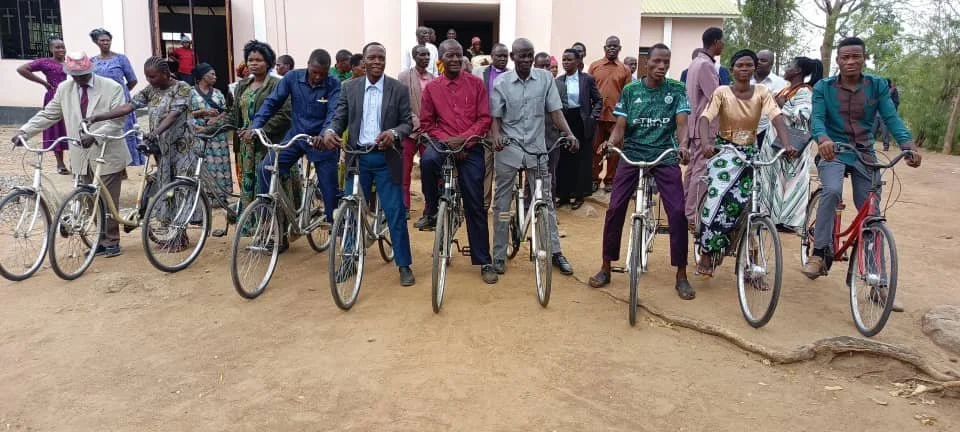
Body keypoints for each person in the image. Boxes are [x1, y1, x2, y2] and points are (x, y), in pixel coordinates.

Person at [802, 38, 921, 293]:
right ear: (838, 61)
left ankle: (877, 279)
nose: (850, 62)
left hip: (864, 151)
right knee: (831, 191)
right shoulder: (824, 87)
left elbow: (891, 118)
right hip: (833, 150)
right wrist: (823, 140)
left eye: (856, 56)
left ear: (864, 58)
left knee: (871, 210)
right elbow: (818, 120)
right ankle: (820, 252)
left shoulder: (876, 85)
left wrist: (908, 145)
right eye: (845, 57)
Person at [587, 43, 694, 298]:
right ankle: (606, 266)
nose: (661, 66)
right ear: (647, 63)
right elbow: (621, 126)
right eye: (656, 61)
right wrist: (611, 143)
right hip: (633, 154)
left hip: (664, 156)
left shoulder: (677, 90)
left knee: (678, 211)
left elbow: (682, 123)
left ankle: (681, 273)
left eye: (665, 62)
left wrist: (683, 145)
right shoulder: (631, 90)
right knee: (614, 208)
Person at [15, 52, 128, 257]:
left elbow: (118, 121)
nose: (79, 79)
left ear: (90, 70)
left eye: (83, 75)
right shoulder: (65, 89)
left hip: (106, 150)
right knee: (88, 198)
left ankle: (111, 241)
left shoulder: (112, 87)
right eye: (75, 76)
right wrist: (25, 131)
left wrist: (95, 136)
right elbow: (49, 114)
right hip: (80, 151)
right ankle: (100, 241)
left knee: (107, 198)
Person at [322, 42, 416, 286]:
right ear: (363, 61)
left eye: (381, 57)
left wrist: (393, 133)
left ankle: (404, 265)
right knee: (352, 211)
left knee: (395, 212)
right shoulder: (349, 87)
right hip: (357, 158)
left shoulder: (398, 89)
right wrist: (331, 130)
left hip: (385, 158)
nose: (377, 61)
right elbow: (340, 116)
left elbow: (407, 123)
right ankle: (350, 260)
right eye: (372, 57)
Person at [694, 50, 796, 276]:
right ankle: (707, 252)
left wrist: (787, 144)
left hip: (750, 153)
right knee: (717, 199)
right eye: (740, 65)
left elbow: (777, 118)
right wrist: (705, 143)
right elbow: (705, 118)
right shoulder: (722, 92)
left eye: (749, 65)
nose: (745, 69)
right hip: (725, 152)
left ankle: (752, 262)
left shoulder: (762, 92)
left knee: (754, 206)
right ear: (732, 69)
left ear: (754, 68)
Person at [489, 38, 579, 276]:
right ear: (512, 56)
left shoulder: (545, 79)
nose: (527, 60)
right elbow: (495, 118)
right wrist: (496, 136)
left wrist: (569, 134)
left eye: (530, 55)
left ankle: (555, 252)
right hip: (508, 151)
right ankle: (498, 255)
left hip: (537, 151)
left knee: (546, 201)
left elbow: (555, 112)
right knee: (502, 205)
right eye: (522, 56)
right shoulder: (502, 82)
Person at [243, 49, 341, 253]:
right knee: (266, 168)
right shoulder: (292, 78)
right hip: (296, 137)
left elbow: (334, 112)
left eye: (322, 73)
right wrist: (256, 125)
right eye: (314, 72)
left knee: (329, 189)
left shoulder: (333, 84)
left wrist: (325, 134)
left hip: (321, 142)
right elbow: (272, 102)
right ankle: (270, 218)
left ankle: (336, 227)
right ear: (307, 65)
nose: (317, 77)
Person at [416, 39, 498, 284]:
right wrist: (449, 141)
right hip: (443, 143)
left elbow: (485, 118)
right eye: (449, 56)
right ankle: (432, 209)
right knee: (428, 162)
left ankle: (484, 260)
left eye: (458, 55)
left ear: (463, 58)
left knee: (474, 202)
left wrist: (464, 140)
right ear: (440, 59)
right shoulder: (432, 88)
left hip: (470, 146)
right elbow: (427, 123)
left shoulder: (476, 84)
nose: (454, 60)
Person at [210, 41, 289, 216]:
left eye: (258, 60)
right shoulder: (241, 86)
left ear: (268, 62)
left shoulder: (278, 84)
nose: (253, 63)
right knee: (250, 187)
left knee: (271, 187)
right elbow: (233, 115)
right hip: (246, 148)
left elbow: (285, 115)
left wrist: (259, 131)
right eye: (250, 59)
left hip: (269, 145)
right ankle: (256, 228)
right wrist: (209, 129)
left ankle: (277, 231)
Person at [759, 56, 823, 232]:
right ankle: (771, 218)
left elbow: (804, 115)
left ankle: (789, 221)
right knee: (775, 181)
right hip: (777, 143)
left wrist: (783, 105)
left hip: (792, 145)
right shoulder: (788, 89)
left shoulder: (805, 92)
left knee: (791, 183)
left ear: (797, 71)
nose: (786, 68)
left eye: (789, 66)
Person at [683, 27, 725, 228]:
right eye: (722, 41)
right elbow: (716, 98)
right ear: (716, 42)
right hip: (705, 128)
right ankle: (692, 216)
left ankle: (685, 209)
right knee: (700, 171)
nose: (723, 45)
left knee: (692, 170)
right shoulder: (706, 66)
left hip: (694, 124)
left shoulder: (695, 63)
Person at [90, 28, 144, 168]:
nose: (106, 43)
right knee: (103, 130)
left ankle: (127, 163)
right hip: (101, 101)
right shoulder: (92, 61)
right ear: (96, 42)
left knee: (122, 131)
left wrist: (122, 93)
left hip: (120, 101)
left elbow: (132, 80)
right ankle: (108, 162)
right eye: (102, 40)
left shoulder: (121, 59)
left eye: (108, 40)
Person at [555, 48, 601, 209]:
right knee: (564, 159)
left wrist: (592, 117)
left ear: (577, 62)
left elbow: (598, 100)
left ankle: (579, 195)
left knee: (581, 159)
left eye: (569, 60)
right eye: (564, 59)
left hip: (581, 121)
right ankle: (564, 195)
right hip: (564, 120)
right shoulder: (559, 80)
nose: (565, 63)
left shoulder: (586, 79)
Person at [17, 35, 70, 175]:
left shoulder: (70, 62)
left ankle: (77, 163)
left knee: (72, 128)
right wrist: (44, 83)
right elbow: (22, 69)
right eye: (57, 47)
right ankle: (60, 163)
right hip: (54, 98)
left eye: (63, 47)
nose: (61, 49)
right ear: (51, 49)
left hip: (71, 98)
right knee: (56, 128)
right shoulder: (46, 62)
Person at [588, 36, 633, 194]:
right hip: (597, 116)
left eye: (615, 46)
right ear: (604, 48)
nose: (612, 48)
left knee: (614, 151)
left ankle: (610, 180)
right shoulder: (595, 66)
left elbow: (628, 95)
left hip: (616, 118)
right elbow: (588, 91)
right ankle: (594, 179)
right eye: (609, 46)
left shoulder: (625, 70)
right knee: (595, 149)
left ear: (620, 48)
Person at [398, 45, 436, 216]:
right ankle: (404, 206)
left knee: (430, 171)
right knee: (404, 171)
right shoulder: (404, 76)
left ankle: (431, 207)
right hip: (409, 130)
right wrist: (418, 123)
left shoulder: (434, 79)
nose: (426, 57)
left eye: (428, 54)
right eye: (422, 54)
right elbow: (403, 104)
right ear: (414, 57)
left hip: (429, 132)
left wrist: (428, 125)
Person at [189, 63, 233, 208]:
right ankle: (204, 196)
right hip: (198, 132)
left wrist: (216, 119)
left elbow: (226, 111)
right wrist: (203, 113)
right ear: (202, 76)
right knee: (203, 164)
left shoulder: (218, 93)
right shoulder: (190, 93)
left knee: (220, 163)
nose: (215, 77)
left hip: (217, 135)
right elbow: (185, 113)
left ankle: (220, 196)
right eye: (211, 74)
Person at [474, 43, 510, 211]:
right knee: (486, 166)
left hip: (506, 127)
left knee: (503, 167)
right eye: (498, 56)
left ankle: (501, 205)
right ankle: (484, 203)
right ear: (492, 57)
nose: (502, 59)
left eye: (505, 56)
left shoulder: (512, 75)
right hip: (485, 127)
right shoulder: (479, 73)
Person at [752, 49, 788, 145]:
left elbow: (785, 108)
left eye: (763, 60)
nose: (758, 62)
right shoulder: (745, 80)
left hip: (768, 132)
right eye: (757, 59)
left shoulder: (781, 84)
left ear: (771, 65)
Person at [874, 79, 900, 151]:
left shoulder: (894, 91)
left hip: (885, 114)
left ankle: (886, 146)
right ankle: (869, 146)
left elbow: (896, 102)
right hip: (876, 114)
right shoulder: (879, 91)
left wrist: (890, 110)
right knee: (872, 130)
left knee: (885, 131)